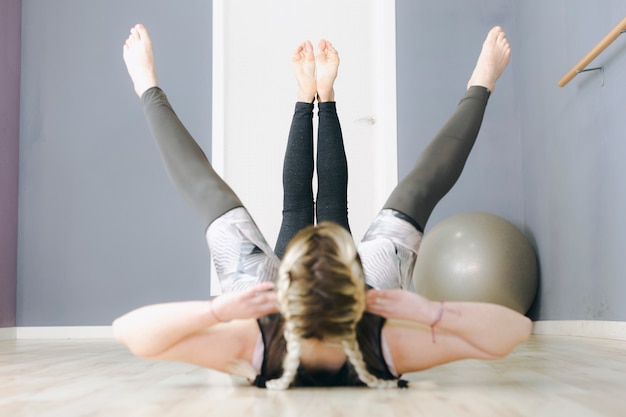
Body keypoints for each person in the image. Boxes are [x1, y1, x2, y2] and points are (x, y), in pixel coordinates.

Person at [114, 24, 532, 390]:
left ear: (284, 285)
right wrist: (426, 311)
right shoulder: (386, 344)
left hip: (266, 299)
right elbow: (517, 329)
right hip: (351, 296)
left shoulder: (253, 342)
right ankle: (329, 95)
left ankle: (303, 95)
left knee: (259, 203)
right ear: (356, 283)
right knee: (398, 195)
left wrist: (219, 309)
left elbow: (128, 331)